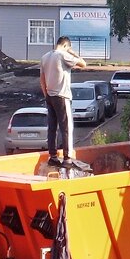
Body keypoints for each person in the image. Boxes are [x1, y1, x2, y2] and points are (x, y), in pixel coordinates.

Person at [40, 36, 87, 168]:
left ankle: (53, 156)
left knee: (52, 128)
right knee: (66, 127)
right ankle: (67, 158)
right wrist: (73, 53)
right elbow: (83, 64)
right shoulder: (63, 55)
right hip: (62, 96)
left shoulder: (45, 57)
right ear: (66, 46)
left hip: (49, 96)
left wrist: (47, 96)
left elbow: (42, 81)